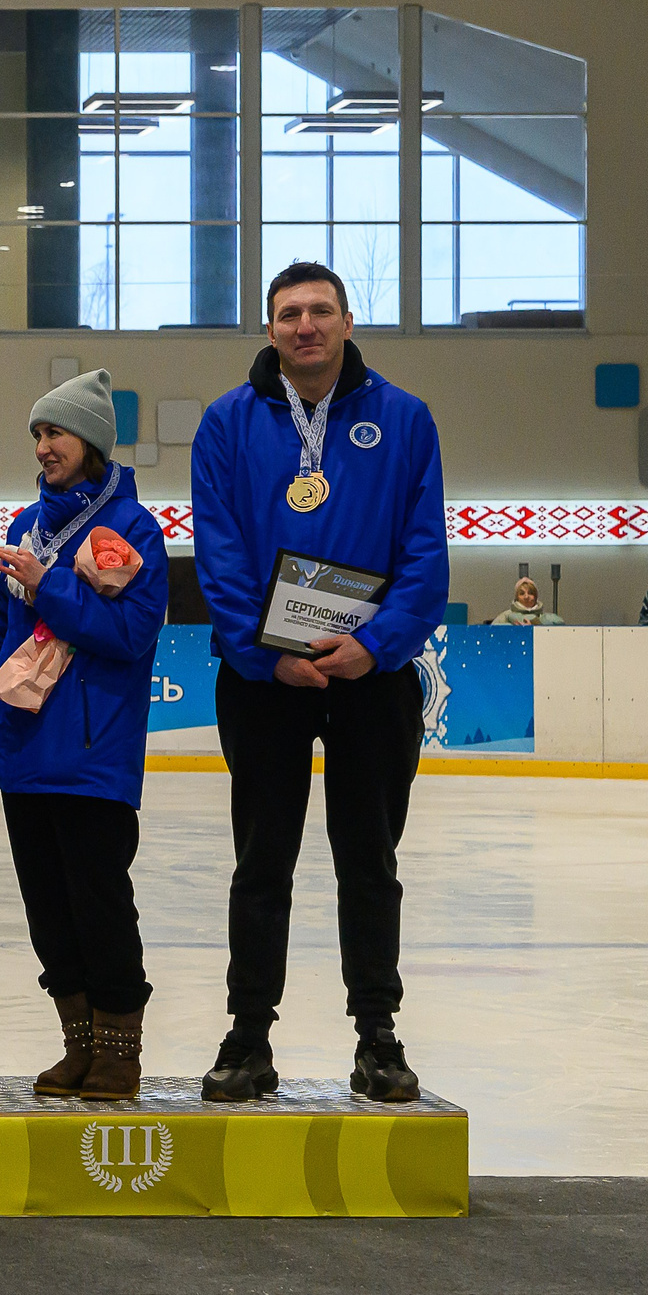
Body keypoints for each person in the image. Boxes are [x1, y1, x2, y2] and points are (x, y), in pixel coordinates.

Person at [191, 261, 446, 1106]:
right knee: (261, 861)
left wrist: (376, 646)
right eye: (289, 313)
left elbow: (425, 553)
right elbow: (219, 554)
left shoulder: (405, 418)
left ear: (346, 321)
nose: (305, 325)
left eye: (320, 310)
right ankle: (248, 1034)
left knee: (369, 860)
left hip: (372, 676)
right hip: (266, 677)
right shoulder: (227, 422)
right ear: (270, 329)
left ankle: (378, 1034)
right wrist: (265, 656)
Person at [0, 371, 169, 1101]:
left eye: (56, 433)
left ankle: (118, 1050)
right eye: (38, 435)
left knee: (98, 904)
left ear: (92, 441)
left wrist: (48, 584)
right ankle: (79, 1044)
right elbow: (0, 633)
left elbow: (130, 634)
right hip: (22, 748)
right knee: (48, 910)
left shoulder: (133, 530)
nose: (43, 447)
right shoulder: (28, 525)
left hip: (90, 751)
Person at [491, 578, 561, 627]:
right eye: (522, 593)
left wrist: (537, 626)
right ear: (517, 597)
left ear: (535, 596)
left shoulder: (545, 617)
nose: (526, 597)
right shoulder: (506, 615)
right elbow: (492, 630)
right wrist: (513, 627)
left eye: (530, 593)